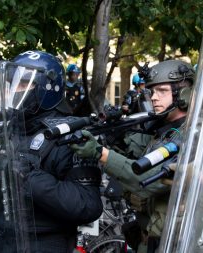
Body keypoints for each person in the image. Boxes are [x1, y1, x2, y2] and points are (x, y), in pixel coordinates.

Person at [70, 59, 195, 253]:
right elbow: (134, 159)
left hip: (173, 241)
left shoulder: (192, 134)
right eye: (152, 91)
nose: (153, 97)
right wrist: (114, 141)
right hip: (149, 237)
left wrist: (100, 153)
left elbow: (149, 180)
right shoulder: (161, 130)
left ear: (184, 95)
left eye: (162, 91)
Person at [3, 51, 103, 252]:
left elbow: (88, 205)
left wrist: (29, 177)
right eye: (11, 85)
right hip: (3, 239)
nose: (14, 92)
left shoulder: (70, 135)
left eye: (23, 84)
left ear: (46, 89)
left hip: (46, 243)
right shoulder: (8, 129)